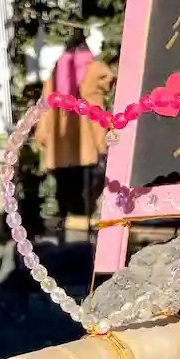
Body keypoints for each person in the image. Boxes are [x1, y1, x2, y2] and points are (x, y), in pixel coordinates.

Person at [35, 28, 114, 236]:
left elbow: (45, 108)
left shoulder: (54, 76)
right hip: (87, 145)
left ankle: (66, 235)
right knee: (86, 196)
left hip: (60, 147)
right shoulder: (94, 71)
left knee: (65, 194)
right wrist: (103, 142)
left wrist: (43, 136)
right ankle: (83, 236)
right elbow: (99, 101)